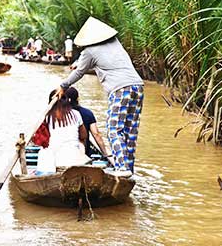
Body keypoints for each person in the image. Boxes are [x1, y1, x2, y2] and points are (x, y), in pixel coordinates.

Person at [56, 17, 144, 177]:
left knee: (113, 129)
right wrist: (79, 62)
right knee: (130, 130)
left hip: (120, 89)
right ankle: (129, 169)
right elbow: (95, 59)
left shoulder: (89, 51)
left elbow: (79, 72)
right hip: (137, 86)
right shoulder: (115, 43)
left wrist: (63, 86)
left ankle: (122, 169)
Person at [36, 90, 91, 175]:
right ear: (67, 101)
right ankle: (80, 163)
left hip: (53, 159)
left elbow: (39, 140)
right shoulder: (76, 114)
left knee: (44, 150)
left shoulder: (45, 116)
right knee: (81, 142)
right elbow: (84, 136)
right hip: (73, 157)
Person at [65, 86, 110, 159]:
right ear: (77, 98)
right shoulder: (87, 113)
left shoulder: (59, 114)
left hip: (65, 150)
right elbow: (96, 134)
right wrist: (105, 153)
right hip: (84, 151)